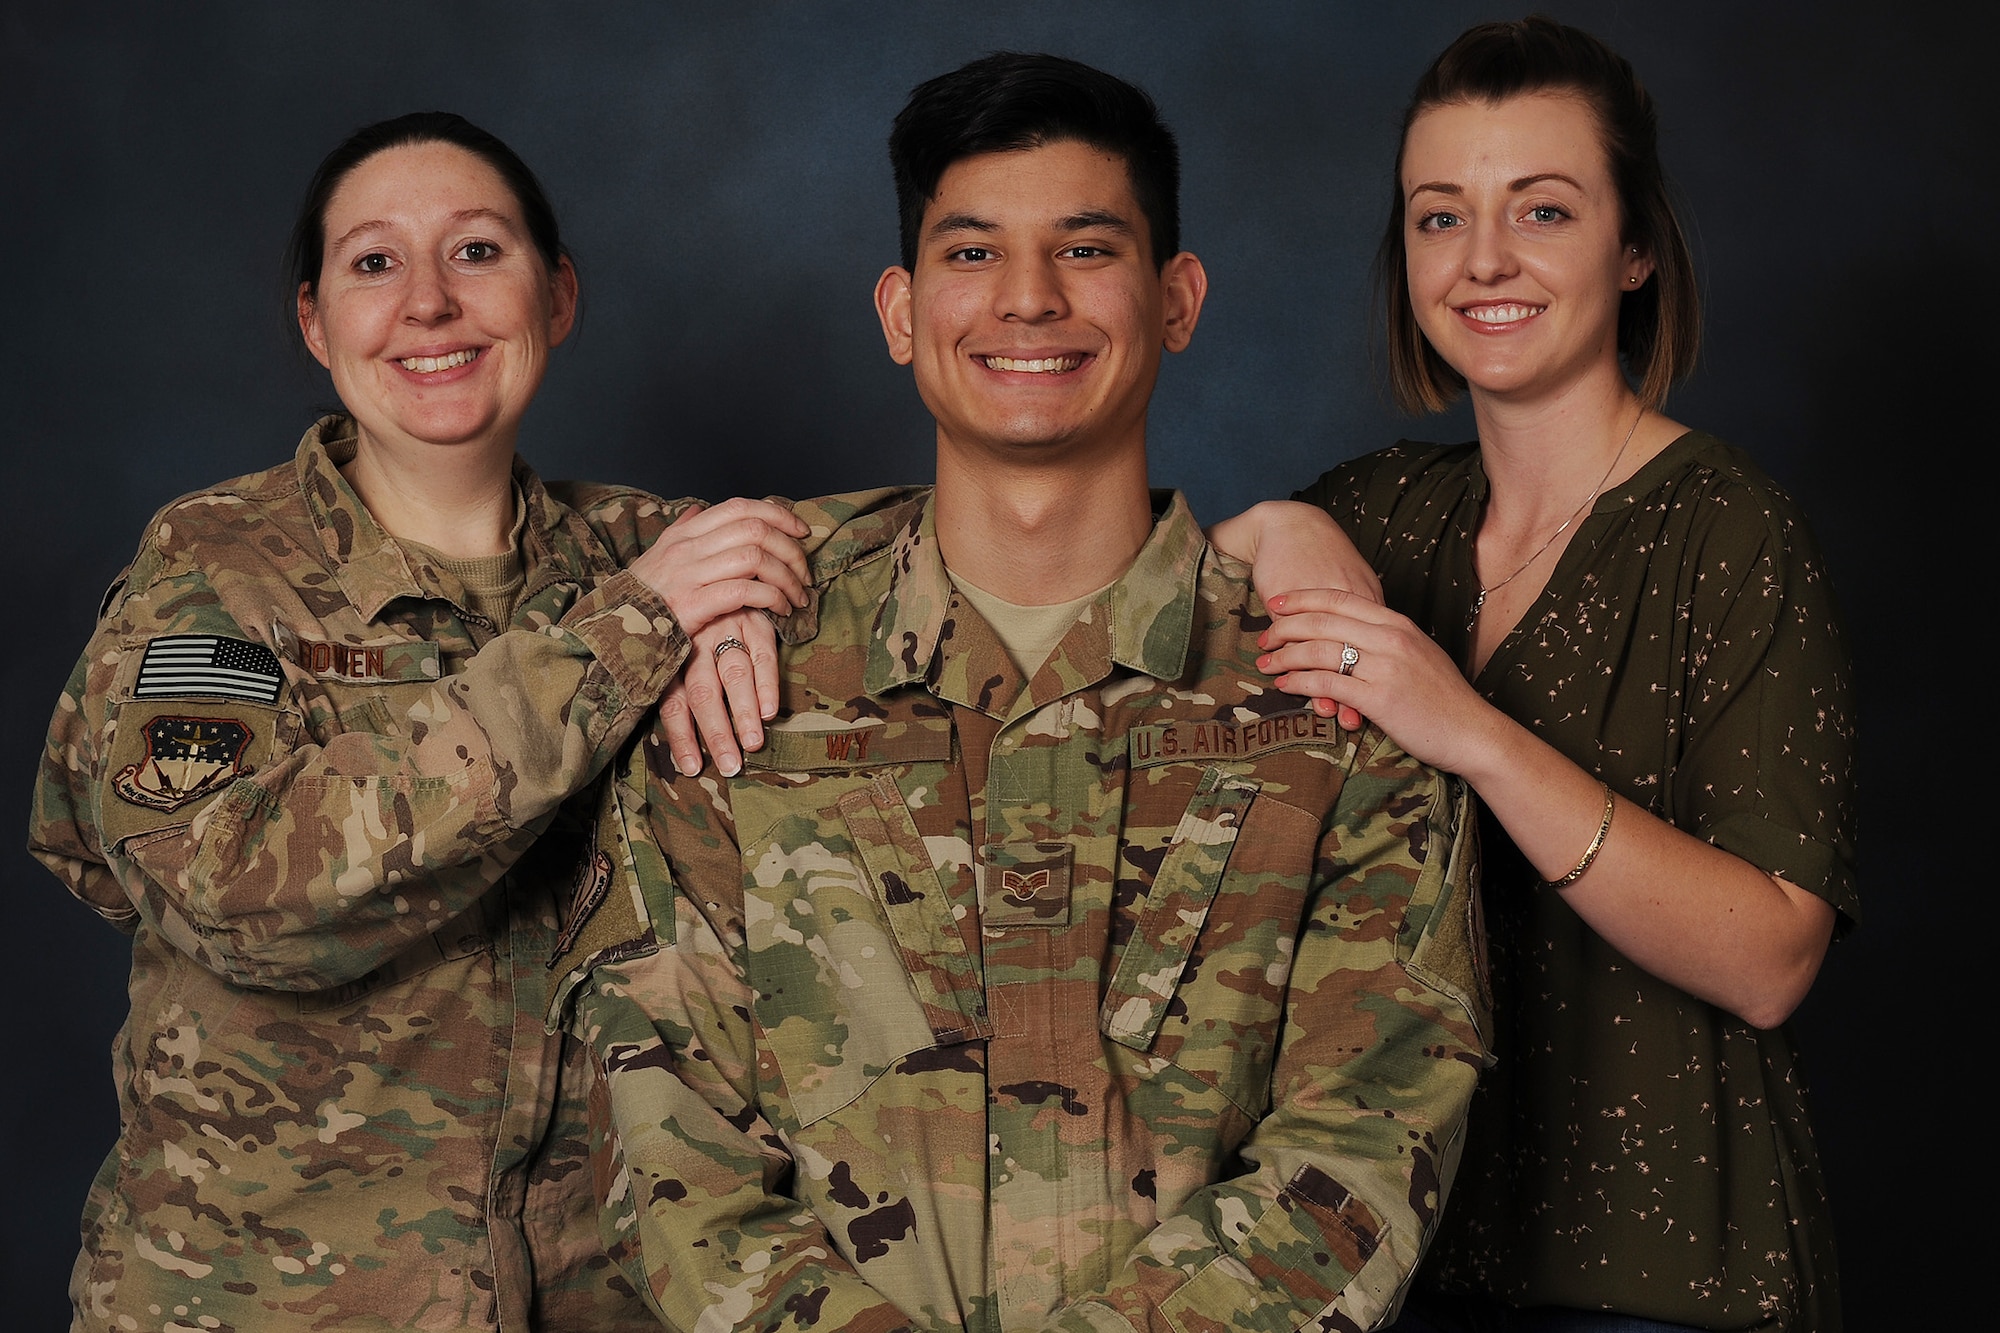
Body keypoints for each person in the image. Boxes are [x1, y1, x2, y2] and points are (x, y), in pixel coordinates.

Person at [551, 53, 1491, 1333]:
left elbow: (1367, 1131)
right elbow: (664, 1128)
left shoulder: (1322, 686)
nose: (1029, 301)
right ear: (898, 309)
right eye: (973, 253)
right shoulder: (742, 676)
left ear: (1177, 299)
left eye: (1087, 249)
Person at [28, 111, 816, 1330]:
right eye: (374, 262)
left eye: (478, 252)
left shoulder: (646, 548)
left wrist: (1208, 545)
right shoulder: (217, 568)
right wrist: (627, 638)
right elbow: (232, 891)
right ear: (315, 320)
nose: (430, 304)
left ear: (557, 297)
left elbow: (962, 552)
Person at [1223, 18, 1857, 1331]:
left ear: (1634, 249)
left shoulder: (1728, 530)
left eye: (1543, 210)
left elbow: (1772, 959)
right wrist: (1263, 532)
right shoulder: (1376, 515)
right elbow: (1131, 637)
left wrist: (1474, 734)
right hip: (1395, 1260)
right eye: (1439, 218)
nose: (1486, 261)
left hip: (1666, 1283)